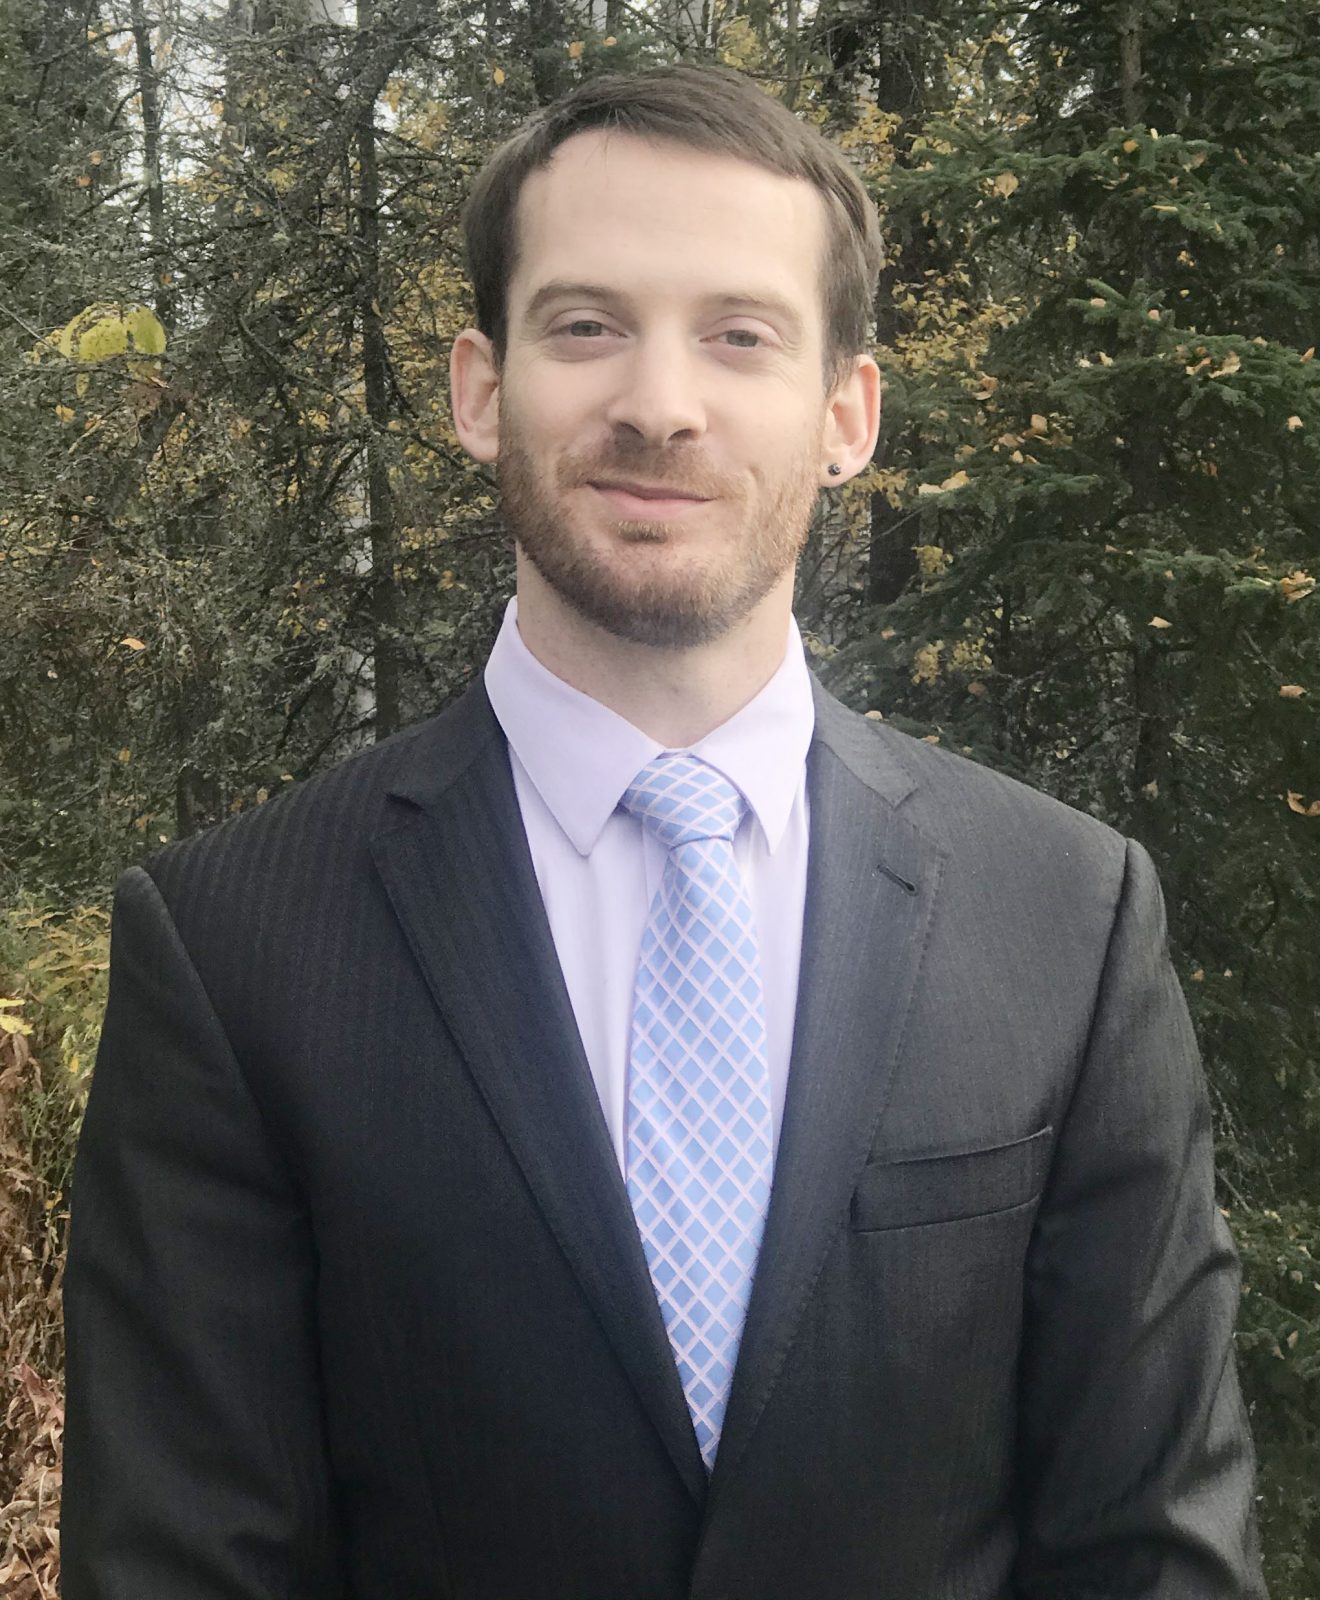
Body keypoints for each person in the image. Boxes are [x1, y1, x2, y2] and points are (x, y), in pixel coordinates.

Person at [61, 61, 1267, 1600]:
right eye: (585, 325)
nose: (659, 403)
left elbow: (1155, 1551)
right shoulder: (233, 945)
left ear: (847, 414)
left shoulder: (1068, 918)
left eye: (740, 334)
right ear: (479, 387)